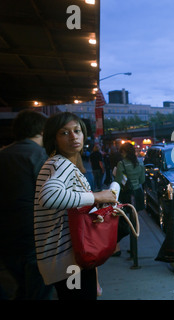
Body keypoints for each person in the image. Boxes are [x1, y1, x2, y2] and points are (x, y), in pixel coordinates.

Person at [34, 112, 117, 300]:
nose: (73, 136)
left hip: (71, 261)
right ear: (53, 139)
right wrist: (98, 196)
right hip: (68, 263)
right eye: (64, 133)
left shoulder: (61, 164)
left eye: (77, 130)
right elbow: (49, 196)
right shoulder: (60, 163)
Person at [0, 109, 53, 300]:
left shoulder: (3, 154)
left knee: (22, 287)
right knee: (39, 290)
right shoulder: (40, 156)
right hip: (36, 236)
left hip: (6, 236)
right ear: (41, 131)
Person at [113, 142, 145, 255]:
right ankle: (134, 250)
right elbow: (142, 181)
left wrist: (115, 174)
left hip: (126, 195)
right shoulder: (140, 162)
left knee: (121, 220)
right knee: (134, 220)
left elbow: (117, 182)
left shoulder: (121, 164)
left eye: (122, 152)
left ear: (124, 152)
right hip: (137, 194)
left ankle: (117, 248)